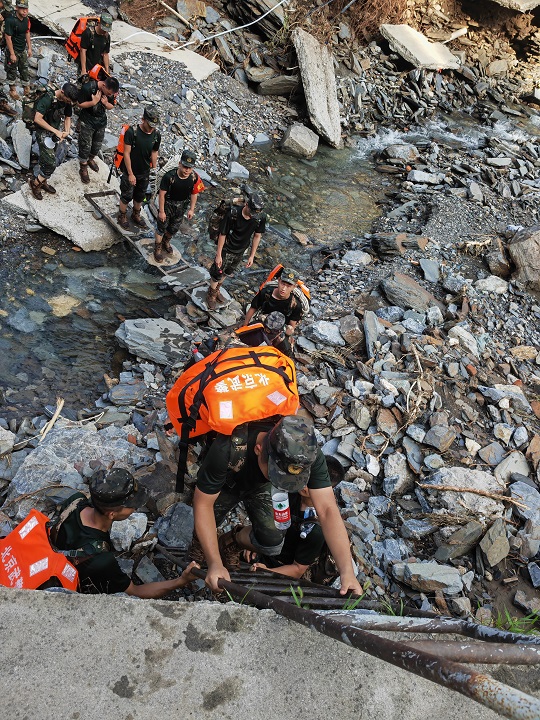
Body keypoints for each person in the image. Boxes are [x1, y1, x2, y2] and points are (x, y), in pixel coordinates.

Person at [192, 414, 362, 596]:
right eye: (278, 474)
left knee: (272, 541)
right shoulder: (227, 448)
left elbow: (327, 510)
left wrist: (347, 572)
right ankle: (198, 550)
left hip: (263, 486)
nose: (285, 483)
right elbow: (203, 505)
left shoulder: (307, 456)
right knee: (210, 521)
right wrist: (215, 563)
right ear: (258, 449)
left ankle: (230, 542)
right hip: (227, 482)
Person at [54, 468, 199, 596]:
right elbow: (135, 591)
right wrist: (181, 580)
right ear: (111, 514)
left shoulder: (75, 501)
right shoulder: (101, 561)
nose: (135, 508)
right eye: (132, 506)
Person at [206, 193, 266, 310]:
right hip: (227, 247)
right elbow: (222, 234)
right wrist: (219, 255)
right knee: (217, 272)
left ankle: (217, 289)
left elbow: (257, 236)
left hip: (241, 249)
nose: (253, 215)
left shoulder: (259, 217)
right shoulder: (233, 214)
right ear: (247, 205)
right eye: (252, 212)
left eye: (255, 213)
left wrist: (252, 255)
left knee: (227, 271)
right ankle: (211, 294)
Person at [29, 82, 78, 200]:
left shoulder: (67, 102)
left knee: (49, 158)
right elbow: (37, 119)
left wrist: (66, 130)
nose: (69, 103)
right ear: (62, 92)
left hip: (53, 133)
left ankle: (43, 181)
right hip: (42, 131)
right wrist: (55, 131)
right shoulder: (47, 98)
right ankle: (35, 183)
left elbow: (67, 117)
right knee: (51, 163)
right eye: (67, 100)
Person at [154, 149, 203, 262]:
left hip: (181, 206)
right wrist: (161, 211)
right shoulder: (169, 177)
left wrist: (191, 209)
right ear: (179, 164)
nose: (187, 170)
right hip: (168, 205)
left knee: (174, 228)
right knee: (161, 227)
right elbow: (162, 194)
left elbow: (194, 193)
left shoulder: (194, 177)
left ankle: (166, 241)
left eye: (189, 168)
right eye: (185, 166)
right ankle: (158, 248)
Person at [117, 105, 161, 231]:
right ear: (143, 119)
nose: (152, 127)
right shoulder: (132, 132)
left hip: (144, 171)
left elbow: (154, 152)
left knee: (140, 195)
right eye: (150, 124)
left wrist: (154, 169)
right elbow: (126, 153)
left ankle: (136, 214)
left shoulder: (156, 135)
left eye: (154, 125)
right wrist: (130, 174)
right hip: (131, 171)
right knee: (127, 195)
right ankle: (122, 215)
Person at [244, 267, 304, 346]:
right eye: (283, 284)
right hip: (264, 321)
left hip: (280, 329)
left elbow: (292, 325)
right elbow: (253, 308)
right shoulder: (266, 293)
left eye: (288, 286)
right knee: (245, 338)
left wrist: (289, 332)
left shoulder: (295, 305)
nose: (284, 289)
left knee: (284, 348)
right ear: (279, 280)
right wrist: (245, 326)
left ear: (294, 286)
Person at [77, 73, 119, 184]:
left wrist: (106, 103)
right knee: (85, 145)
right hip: (87, 120)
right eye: (108, 93)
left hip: (101, 122)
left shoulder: (110, 93)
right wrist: (93, 102)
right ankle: (83, 167)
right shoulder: (88, 88)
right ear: (104, 85)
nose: (109, 95)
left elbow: (111, 106)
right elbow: (79, 104)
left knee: (96, 145)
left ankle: (90, 159)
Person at [3, 0, 31, 101]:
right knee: (12, 69)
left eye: (26, 8)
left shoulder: (26, 20)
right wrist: (12, 53)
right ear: (17, 8)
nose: (25, 11)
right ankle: (12, 90)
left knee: (24, 68)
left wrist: (29, 48)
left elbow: (27, 32)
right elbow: (8, 37)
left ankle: (26, 88)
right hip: (13, 49)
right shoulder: (11, 20)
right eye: (22, 8)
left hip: (22, 49)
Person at [79, 11, 112, 75]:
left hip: (97, 66)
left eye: (106, 30)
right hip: (87, 64)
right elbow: (83, 51)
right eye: (103, 29)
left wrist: (107, 71)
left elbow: (105, 54)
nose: (105, 31)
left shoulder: (107, 37)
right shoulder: (88, 33)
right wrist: (83, 70)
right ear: (99, 23)